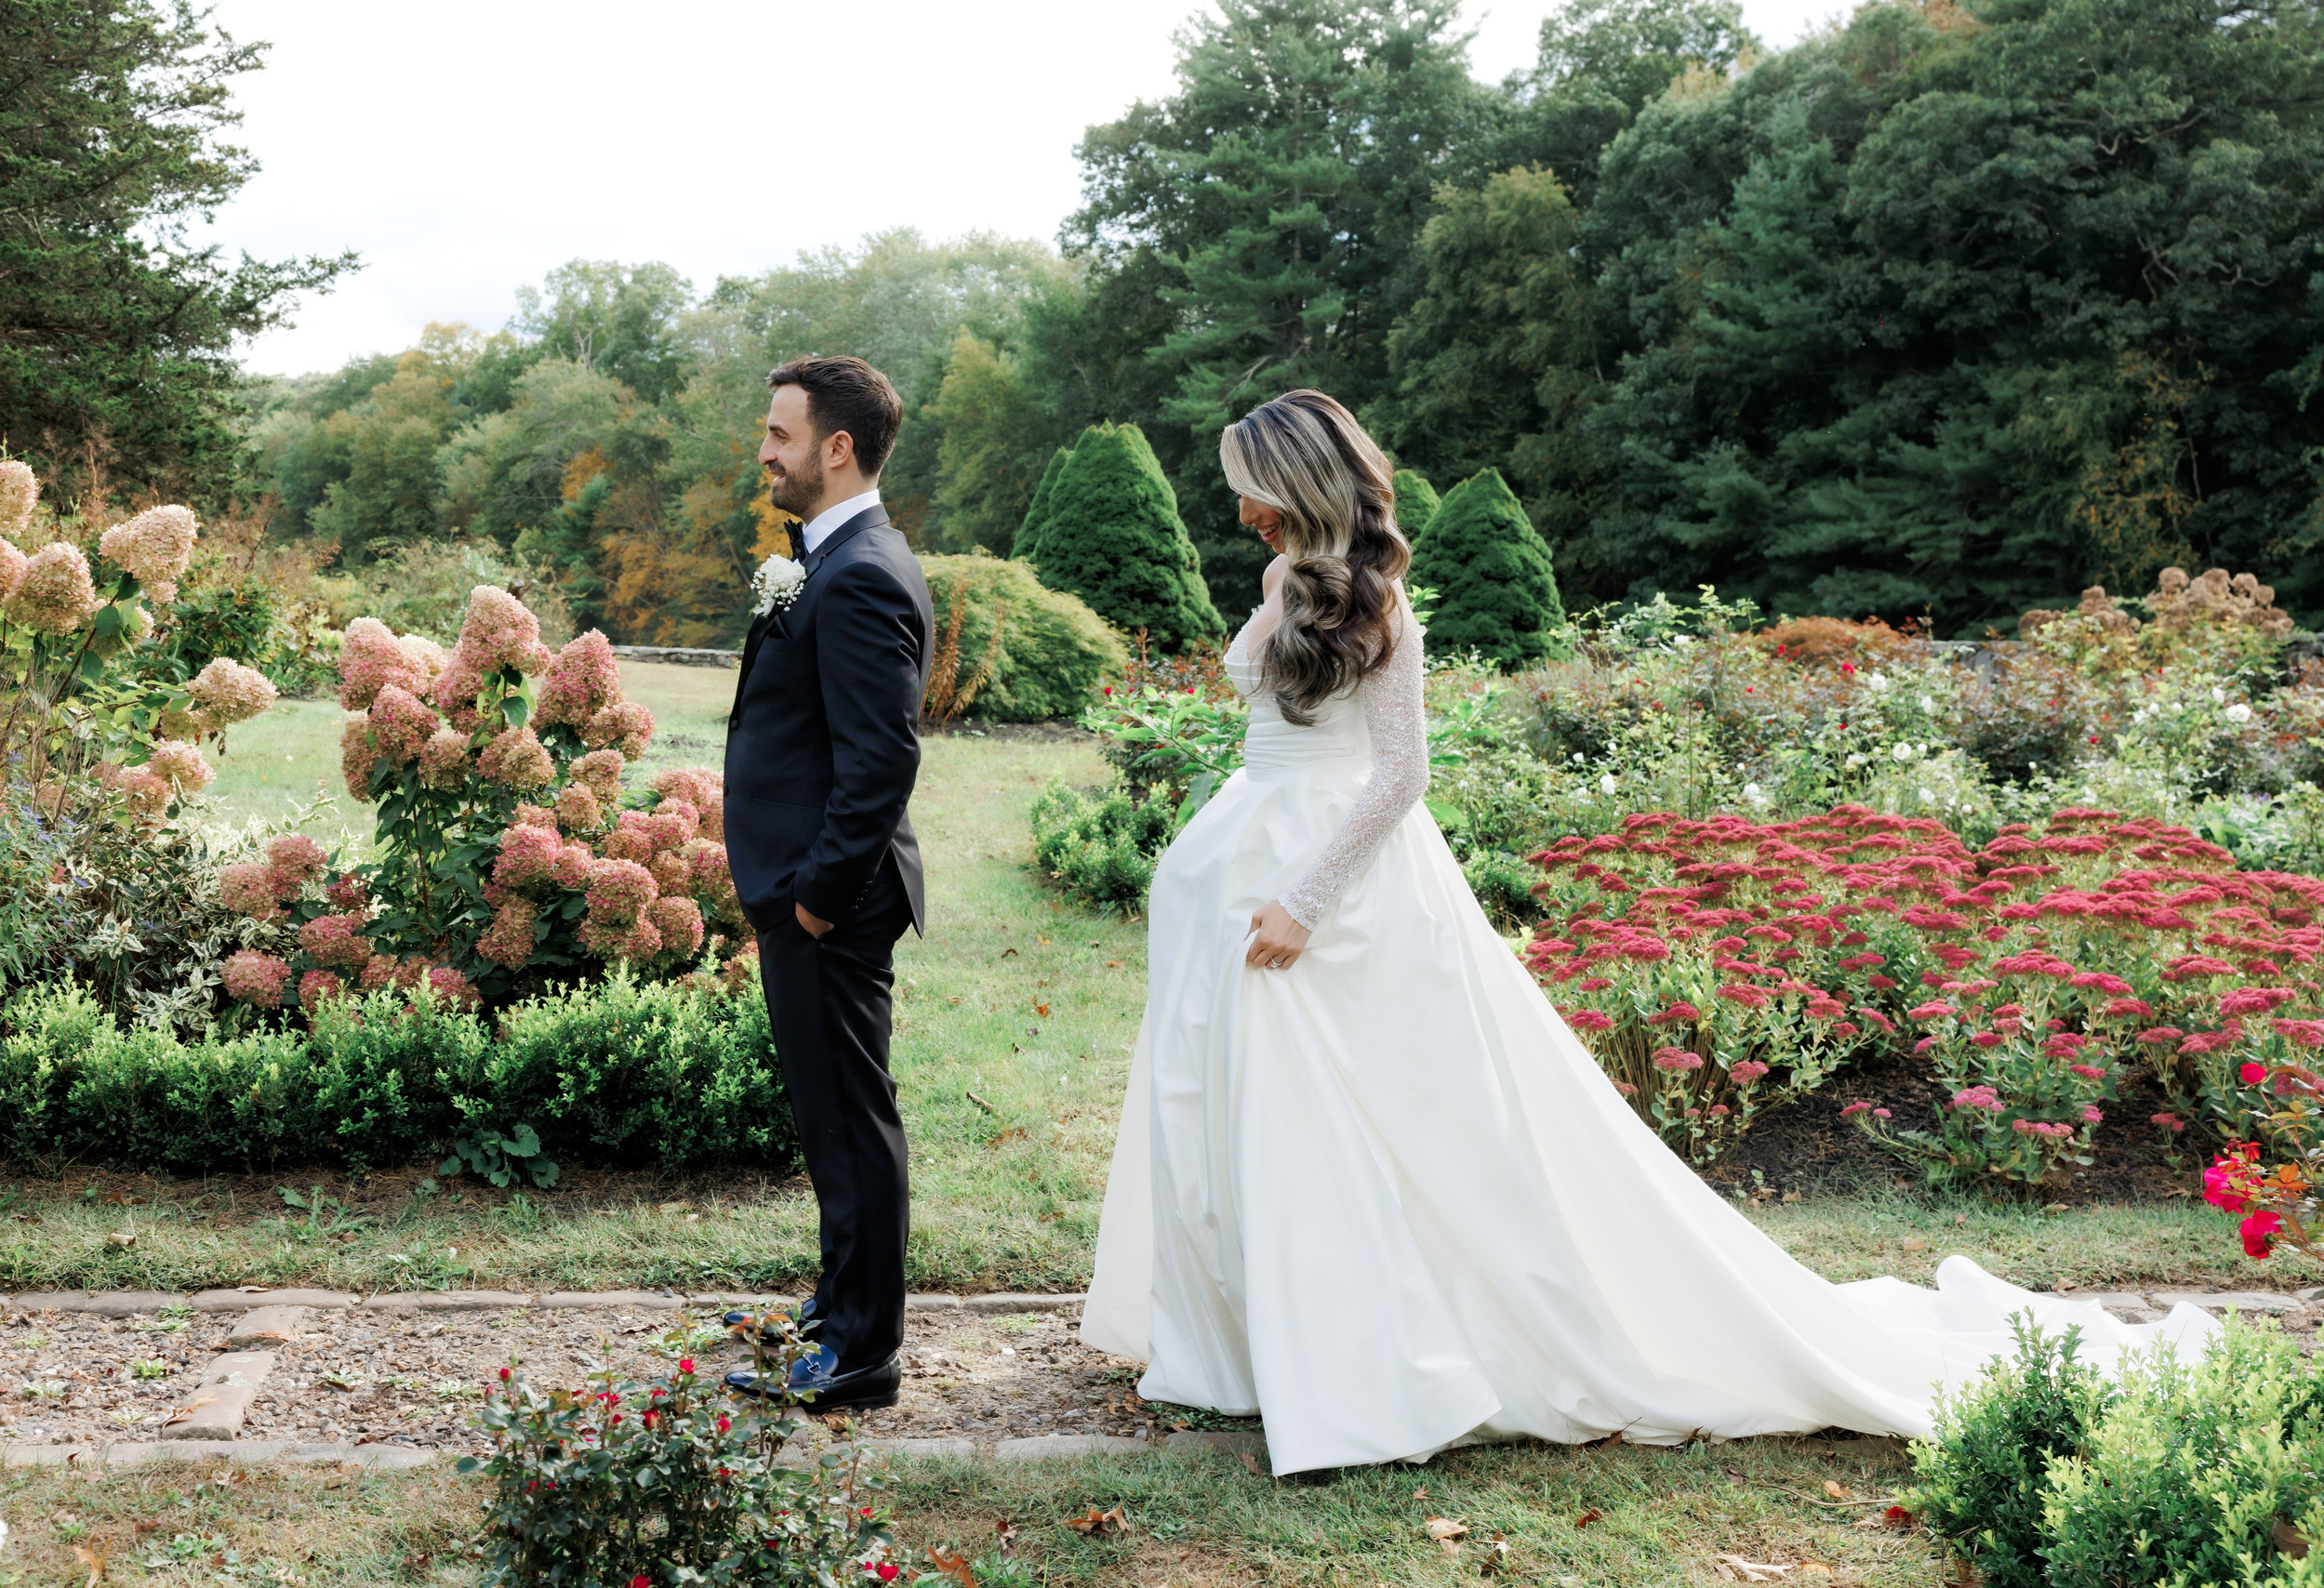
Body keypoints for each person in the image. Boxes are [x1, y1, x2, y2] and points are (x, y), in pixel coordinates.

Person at [1079, 389, 2216, 1476]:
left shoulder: (1380, 602)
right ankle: (1270, 1345)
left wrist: (1307, 897)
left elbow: (1401, 774)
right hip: (1251, 854)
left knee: (1369, 1121)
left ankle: (1386, 1360)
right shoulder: (1283, 576)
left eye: (1251, 488)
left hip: (1338, 885)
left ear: (1301, 484)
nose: (1240, 510)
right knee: (1254, 1107)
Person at [722, 354, 933, 1411]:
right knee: (831, 1119)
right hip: (808, 894)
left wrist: (811, 899)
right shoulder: (832, 555)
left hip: (832, 903)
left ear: (835, 448)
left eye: (780, 434)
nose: (764, 451)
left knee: (851, 1122)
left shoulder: (859, 574)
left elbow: (881, 762)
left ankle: (860, 1353)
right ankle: (838, 1306)